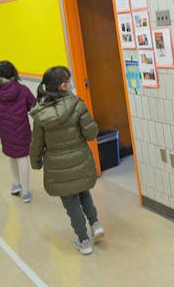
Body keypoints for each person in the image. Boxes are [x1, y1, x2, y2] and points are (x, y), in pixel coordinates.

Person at [29, 66, 103, 255]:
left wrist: (35, 162)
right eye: (69, 81)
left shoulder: (40, 114)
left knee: (71, 203)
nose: (71, 84)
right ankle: (95, 224)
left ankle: (84, 240)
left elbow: (37, 143)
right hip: (79, 159)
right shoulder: (77, 104)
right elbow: (91, 133)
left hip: (57, 166)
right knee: (84, 193)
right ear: (63, 86)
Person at [0, 60, 36, 203]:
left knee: (11, 155)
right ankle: (26, 192)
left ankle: (16, 183)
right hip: (22, 129)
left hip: (5, 131)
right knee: (23, 157)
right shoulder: (23, 89)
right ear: (14, 73)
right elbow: (33, 105)